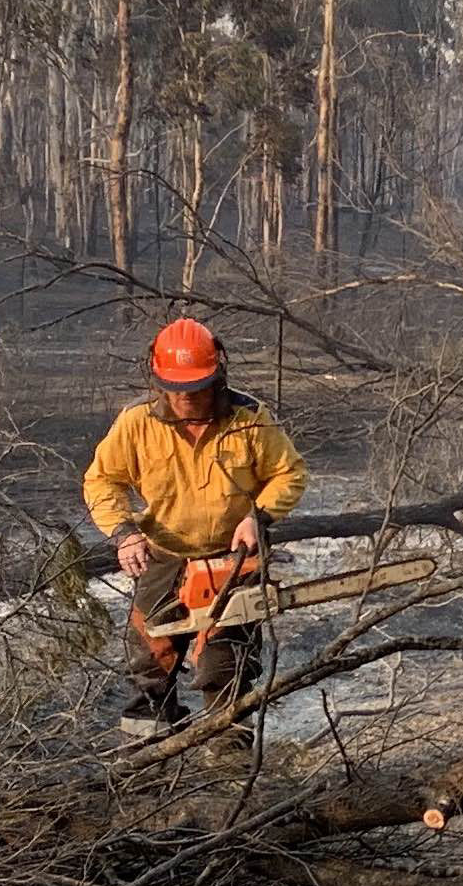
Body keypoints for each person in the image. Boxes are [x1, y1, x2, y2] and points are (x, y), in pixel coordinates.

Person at [82, 317, 306, 740]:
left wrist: (258, 517)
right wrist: (123, 532)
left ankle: (227, 749)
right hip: (163, 553)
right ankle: (149, 748)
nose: (186, 397)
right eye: (177, 388)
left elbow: (288, 473)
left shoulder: (248, 418)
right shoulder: (137, 422)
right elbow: (101, 480)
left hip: (233, 556)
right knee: (150, 659)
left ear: (217, 374)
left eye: (196, 387)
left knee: (224, 663)